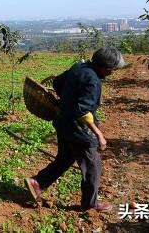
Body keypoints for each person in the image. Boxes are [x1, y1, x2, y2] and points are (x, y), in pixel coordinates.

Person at [24, 47, 125, 212]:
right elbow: (83, 111)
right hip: (78, 130)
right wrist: (98, 134)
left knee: (65, 158)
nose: (112, 73)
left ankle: (37, 183)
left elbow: (57, 83)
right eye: (112, 70)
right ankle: (90, 203)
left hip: (62, 121)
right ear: (105, 68)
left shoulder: (79, 67)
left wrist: (68, 99)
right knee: (93, 165)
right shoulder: (93, 81)